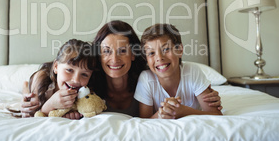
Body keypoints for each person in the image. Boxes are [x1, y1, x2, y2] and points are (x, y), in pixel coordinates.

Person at [91, 20, 222, 117]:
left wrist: (189, 107)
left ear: (134, 54)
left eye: (123, 50)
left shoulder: (147, 76)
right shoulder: (89, 84)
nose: (114, 59)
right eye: (106, 51)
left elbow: (215, 113)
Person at [134, 23, 223, 119]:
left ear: (180, 50)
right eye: (151, 53)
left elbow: (217, 115)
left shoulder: (193, 72)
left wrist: (184, 112)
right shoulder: (146, 79)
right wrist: (162, 113)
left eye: (166, 49)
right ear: (146, 58)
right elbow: (144, 122)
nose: (159, 58)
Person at [21, 39, 96, 119]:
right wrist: (50, 104)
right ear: (56, 66)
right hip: (42, 79)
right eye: (69, 70)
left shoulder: (86, 91)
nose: (76, 80)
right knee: (27, 86)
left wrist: (71, 113)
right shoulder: (41, 80)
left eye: (84, 74)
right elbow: (33, 115)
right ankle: (25, 87)